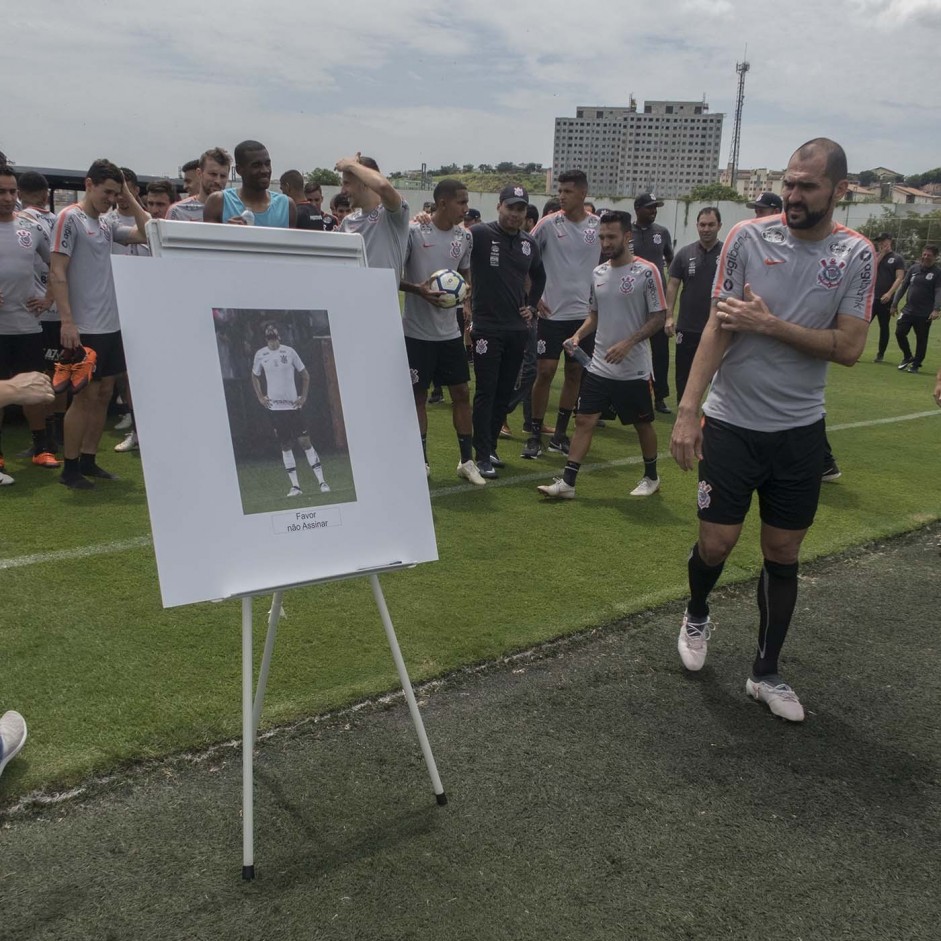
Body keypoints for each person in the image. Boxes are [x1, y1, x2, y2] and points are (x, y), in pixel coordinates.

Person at [669, 137, 874, 722]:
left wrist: (771, 323)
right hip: (732, 422)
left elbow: (851, 347)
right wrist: (689, 409)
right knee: (717, 543)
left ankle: (765, 672)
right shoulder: (746, 238)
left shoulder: (855, 254)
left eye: (807, 186)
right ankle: (698, 610)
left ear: (839, 191)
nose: (793, 195)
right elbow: (719, 325)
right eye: (788, 182)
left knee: (782, 551)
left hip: (799, 432)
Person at [537, 210, 666, 500]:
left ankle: (651, 476)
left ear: (627, 237)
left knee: (641, 423)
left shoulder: (647, 271)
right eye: (602, 237)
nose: (605, 242)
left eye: (611, 237)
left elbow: (659, 316)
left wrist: (628, 343)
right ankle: (568, 483)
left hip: (633, 367)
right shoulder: (598, 273)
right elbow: (594, 314)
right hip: (598, 366)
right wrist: (578, 335)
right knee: (584, 420)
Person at [49, 159, 150, 489]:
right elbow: (57, 271)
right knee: (84, 397)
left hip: (111, 323)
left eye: (115, 193)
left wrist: (129, 197)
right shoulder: (70, 218)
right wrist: (67, 321)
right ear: (88, 184)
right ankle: (71, 466)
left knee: (105, 392)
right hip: (84, 325)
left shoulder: (105, 224)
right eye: (107, 192)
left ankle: (90, 459)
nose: (111, 199)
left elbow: (146, 230)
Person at [399, 179, 483, 485]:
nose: (466, 207)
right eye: (461, 202)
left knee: (461, 393)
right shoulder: (414, 232)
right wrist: (418, 290)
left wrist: (466, 291)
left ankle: (467, 460)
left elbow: (464, 273)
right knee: (417, 396)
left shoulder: (465, 237)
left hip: (450, 332)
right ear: (443, 203)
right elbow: (394, 274)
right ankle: (420, 461)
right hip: (416, 332)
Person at [467, 184, 546, 478]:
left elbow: (539, 276)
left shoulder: (529, 244)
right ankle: (481, 453)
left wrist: (533, 306)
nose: (515, 214)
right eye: (510, 207)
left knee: (504, 391)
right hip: (487, 327)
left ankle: (491, 447)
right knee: (486, 391)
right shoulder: (479, 234)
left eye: (520, 209)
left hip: (517, 329)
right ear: (499, 206)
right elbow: (455, 250)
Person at [526, 170, 600, 459]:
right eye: (560, 190)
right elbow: (525, 257)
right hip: (551, 314)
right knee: (544, 372)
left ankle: (559, 434)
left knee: (574, 373)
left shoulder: (598, 226)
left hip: (583, 317)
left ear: (582, 194)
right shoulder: (547, 224)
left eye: (568, 191)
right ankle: (533, 434)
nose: (561, 196)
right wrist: (535, 296)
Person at [0, 165, 59, 480]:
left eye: (12, 191)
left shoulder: (32, 226)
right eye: (1, 192)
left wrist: (49, 298)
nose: (8, 198)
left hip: (27, 326)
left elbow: (57, 265)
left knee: (34, 389)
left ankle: (42, 448)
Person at [16, 170, 65, 458]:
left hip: (36, 312)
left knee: (38, 376)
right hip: (62, 309)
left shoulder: (23, 222)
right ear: (46, 193)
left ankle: (45, 439)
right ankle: (56, 434)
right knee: (60, 374)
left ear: (20, 193)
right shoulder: (59, 220)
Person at [251, 324, 329, 496]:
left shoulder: (290, 352)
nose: (272, 341)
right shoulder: (260, 355)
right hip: (276, 409)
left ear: (279, 337)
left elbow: (305, 375)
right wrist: (260, 397)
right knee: (285, 445)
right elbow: (255, 376)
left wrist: (303, 396)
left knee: (305, 442)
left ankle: (322, 482)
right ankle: (295, 486)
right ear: (266, 339)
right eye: (269, 338)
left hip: (293, 407)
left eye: (274, 337)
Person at [665, 207, 723, 404]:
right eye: (702, 225)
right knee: (684, 374)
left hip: (716, 327)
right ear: (697, 226)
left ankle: (712, 417)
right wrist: (669, 316)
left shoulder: (726, 253)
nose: (706, 229)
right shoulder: (684, 253)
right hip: (687, 327)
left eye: (711, 225)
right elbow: (673, 284)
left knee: (716, 376)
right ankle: (685, 413)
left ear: (719, 226)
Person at [632, 193, 674, 413]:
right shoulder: (627, 233)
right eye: (649, 207)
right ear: (637, 209)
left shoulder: (662, 232)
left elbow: (671, 260)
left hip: (657, 299)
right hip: (633, 299)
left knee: (660, 350)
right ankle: (624, 394)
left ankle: (660, 396)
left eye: (655, 207)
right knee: (630, 345)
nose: (653, 211)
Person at [336, 154, 409, 276]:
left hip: (384, 295)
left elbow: (383, 186)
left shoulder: (392, 214)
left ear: (365, 183)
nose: (342, 191)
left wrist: (351, 165)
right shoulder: (348, 222)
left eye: (347, 183)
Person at [204, 140, 296, 228]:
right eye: (256, 165)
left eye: (267, 164)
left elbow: (291, 243)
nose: (265, 170)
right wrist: (228, 231)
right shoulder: (218, 202)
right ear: (239, 170)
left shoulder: (286, 206)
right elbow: (208, 242)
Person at [892, 244, 941, 373]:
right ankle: (908, 356)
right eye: (924, 254)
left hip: (924, 313)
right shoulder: (914, 268)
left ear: (935, 257)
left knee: (921, 339)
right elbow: (903, 287)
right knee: (899, 332)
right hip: (908, 310)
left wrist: (936, 309)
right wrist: (894, 303)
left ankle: (916, 365)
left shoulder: (937, 273)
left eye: (929, 255)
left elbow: (938, 291)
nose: (925, 257)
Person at [167, 147, 231, 222]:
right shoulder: (178, 211)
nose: (218, 181)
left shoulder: (236, 210)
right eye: (213, 174)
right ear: (199, 173)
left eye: (223, 176)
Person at [869, 232, 905, 362]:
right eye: (879, 241)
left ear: (890, 241)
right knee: (863, 325)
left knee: (884, 326)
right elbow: (871, 269)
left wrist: (889, 293)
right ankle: (856, 349)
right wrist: (882, 254)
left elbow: (900, 277)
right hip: (871, 297)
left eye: (884, 241)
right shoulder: (876, 257)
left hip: (885, 299)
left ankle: (880, 354)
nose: (881, 244)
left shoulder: (897, 258)